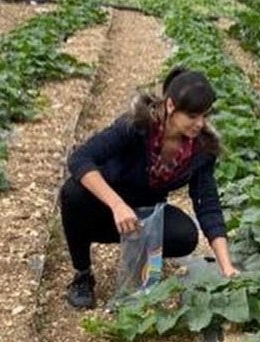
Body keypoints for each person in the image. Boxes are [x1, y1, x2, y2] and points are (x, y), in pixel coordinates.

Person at [59, 67, 239, 309]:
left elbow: (207, 204)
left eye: (205, 116)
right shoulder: (137, 126)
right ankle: (82, 275)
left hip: (146, 212)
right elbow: (80, 159)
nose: (200, 124)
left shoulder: (201, 150)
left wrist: (226, 267)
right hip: (108, 207)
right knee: (73, 193)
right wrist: (117, 205)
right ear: (171, 106)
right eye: (194, 116)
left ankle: (143, 259)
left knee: (185, 235)